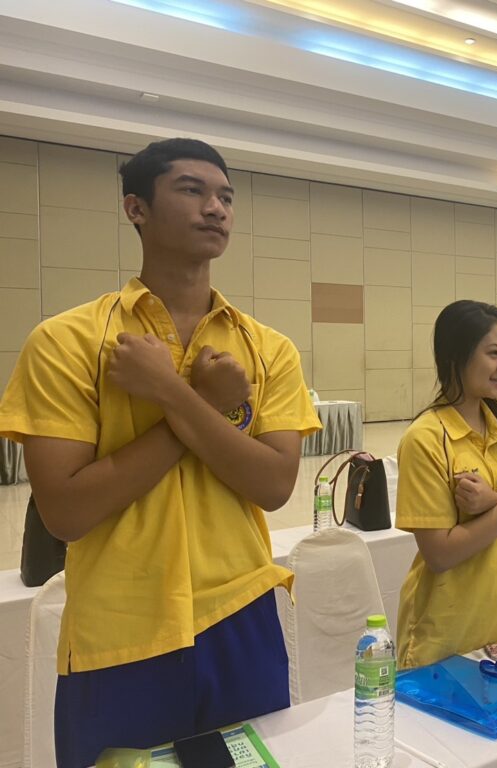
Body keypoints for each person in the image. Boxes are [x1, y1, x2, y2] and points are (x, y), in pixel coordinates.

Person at [0, 138, 321, 767]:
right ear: (135, 208)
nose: (215, 208)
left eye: (225, 196)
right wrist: (207, 405)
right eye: (192, 190)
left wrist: (171, 394)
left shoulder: (268, 348)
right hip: (120, 626)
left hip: (241, 612)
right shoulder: (67, 342)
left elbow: (273, 485)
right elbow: (66, 511)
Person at [395, 300, 497, 669]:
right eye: (493, 353)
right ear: (455, 355)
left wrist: (493, 500)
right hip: (450, 633)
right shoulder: (425, 439)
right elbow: (441, 554)